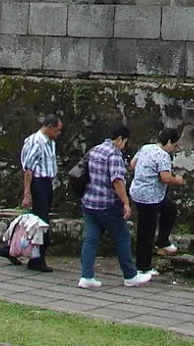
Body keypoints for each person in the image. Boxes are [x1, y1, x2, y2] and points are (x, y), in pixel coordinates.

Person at [78, 123, 153, 288]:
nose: (124, 146)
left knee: (90, 239)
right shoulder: (114, 155)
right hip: (107, 204)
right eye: (124, 142)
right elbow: (117, 181)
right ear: (120, 139)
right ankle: (130, 275)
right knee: (122, 238)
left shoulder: (94, 150)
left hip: (89, 202)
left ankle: (86, 275)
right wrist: (126, 202)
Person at [130, 127, 186, 275]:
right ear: (168, 142)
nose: (174, 149)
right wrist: (178, 180)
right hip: (150, 198)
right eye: (174, 145)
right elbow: (165, 178)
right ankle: (143, 267)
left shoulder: (146, 148)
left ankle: (163, 241)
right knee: (146, 231)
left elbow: (133, 164)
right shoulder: (163, 156)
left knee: (170, 209)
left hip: (138, 192)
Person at [16, 113, 62, 272]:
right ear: (49, 127)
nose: (58, 134)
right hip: (38, 182)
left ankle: (34, 254)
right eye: (56, 130)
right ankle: (36, 257)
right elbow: (29, 169)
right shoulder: (36, 142)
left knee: (41, 220)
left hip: (47, 182)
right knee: (40, 222)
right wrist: (27, 193)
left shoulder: (50, 142)